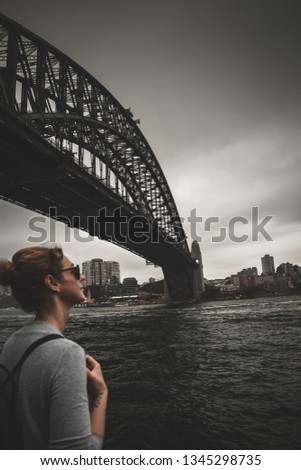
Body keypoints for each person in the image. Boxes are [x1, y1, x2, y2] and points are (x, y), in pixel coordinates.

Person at [0, 245, 108, 449]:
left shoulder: (12, 343)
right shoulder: (66, 353)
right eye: (74, 271)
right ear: (52, 282)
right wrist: (101, 393)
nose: (82, 277)